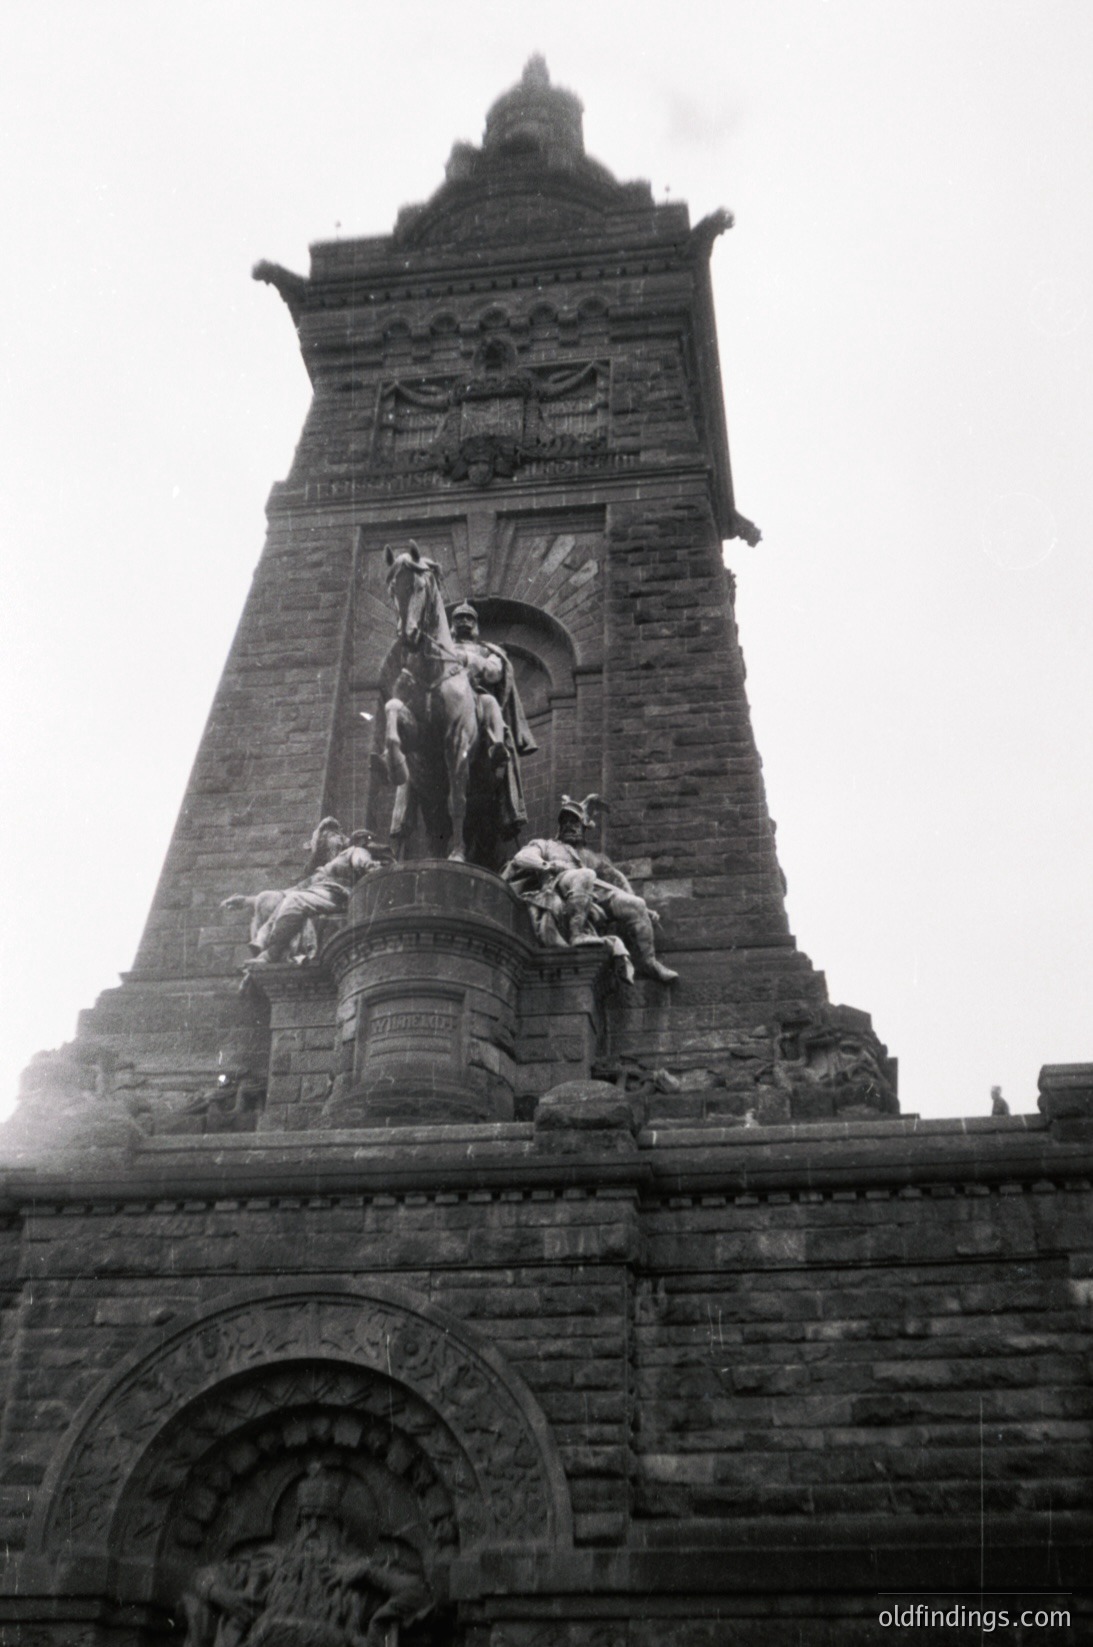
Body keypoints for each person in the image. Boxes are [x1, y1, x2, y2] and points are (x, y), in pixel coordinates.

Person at [503, 794, 678, 983]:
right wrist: (548, 866)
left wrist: (643, 906)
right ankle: (578, 934)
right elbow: (522, 857)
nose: (569, 825)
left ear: (583, 827)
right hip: (559, 883)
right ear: (559, 827)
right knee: (585, 874)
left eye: (575, 822)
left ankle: (648, 962)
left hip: (591, 891)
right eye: (566, 822)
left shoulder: (591, 857)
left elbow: (616, 879)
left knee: (636, 904)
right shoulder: (546, 844)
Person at [449, 601, 537, 832]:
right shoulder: (441, 646)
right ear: (452, 624)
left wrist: (469, 660)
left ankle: (497, 746)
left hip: (475, 694)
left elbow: (494, 672)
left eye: (469, 618)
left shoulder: (487, 650)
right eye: (459, 618)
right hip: (442, 697)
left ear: (475, 624)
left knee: (489, 703)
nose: (464, 622)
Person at [244, 819, 383, 966]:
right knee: (275, 900)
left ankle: (273, 952)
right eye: (326, 837)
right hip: (317, 893)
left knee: (294, 901)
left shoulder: (353, 851)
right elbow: (292, 890)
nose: (330, 839)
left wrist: (371, 865)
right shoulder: (322, 871)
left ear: (343, 840)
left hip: (338, 895)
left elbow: (364, 862)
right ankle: (261, 945)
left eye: (334, 835)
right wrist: (247, 900)